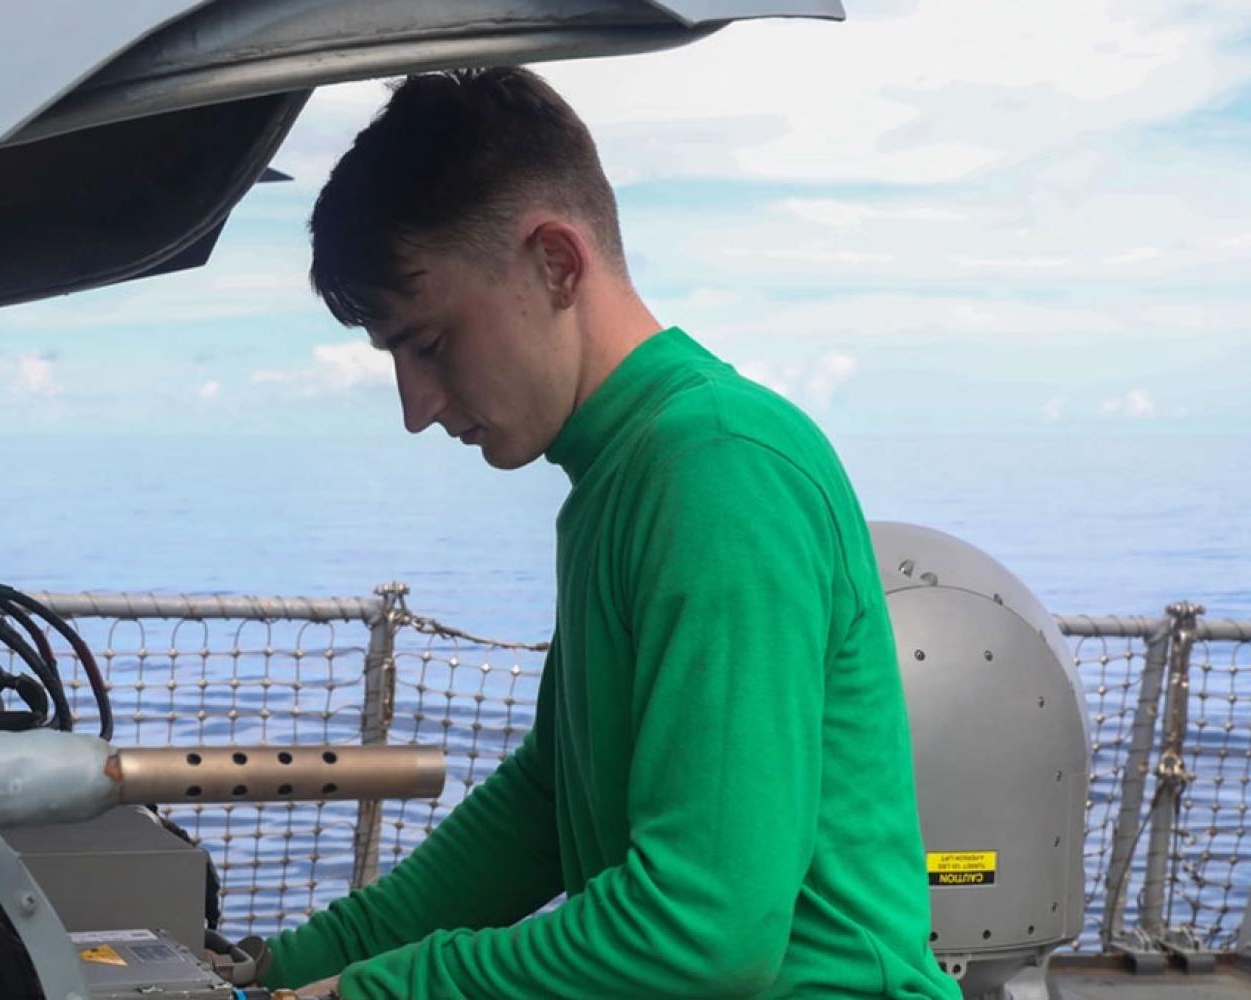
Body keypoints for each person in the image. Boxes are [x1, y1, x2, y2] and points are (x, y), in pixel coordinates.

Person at [260, 67, 959, 1000]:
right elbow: (550, 803)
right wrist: (286, 968)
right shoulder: (620, 472)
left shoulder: (718, 467)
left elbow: (703, 932)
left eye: (429, 346)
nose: (415, 409)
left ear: (557, 262)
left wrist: (379, 992)